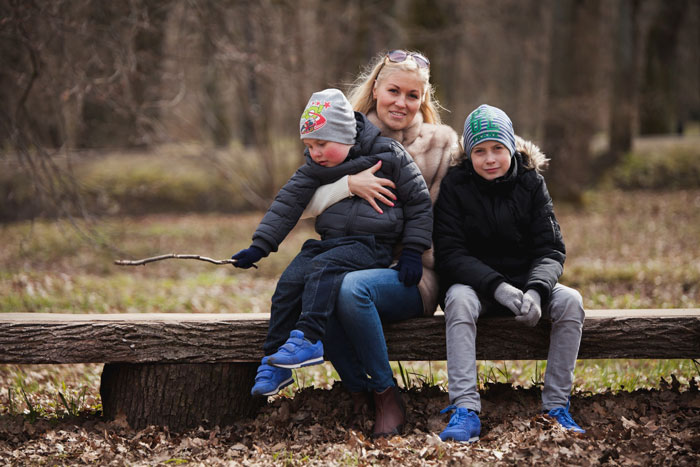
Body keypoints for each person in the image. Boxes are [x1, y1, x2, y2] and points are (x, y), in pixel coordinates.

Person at [231, 88, 433, 398]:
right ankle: (274, 363)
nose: (315, 153)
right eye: (309, 145)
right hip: (331, 244)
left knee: (323, 270)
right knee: (289, 283)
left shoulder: (389, 154)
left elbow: (420, 204)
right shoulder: (316, 168)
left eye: (322, 144)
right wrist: (260, 245)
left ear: (346, 135)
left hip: (371, 245)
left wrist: (413, 252)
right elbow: (287, 203)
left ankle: (308, 337)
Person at [300, 50, 461, 437]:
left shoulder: (441, 145)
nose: (401, 103)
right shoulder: (342, 134)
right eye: (393, 91)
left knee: (353, 289)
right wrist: (347, 185)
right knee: (320, 286)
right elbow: (296, 204)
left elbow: (449, 218)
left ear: (423, 99)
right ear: (376, 89)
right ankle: (358, 390)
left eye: (412, 95)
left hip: (413, 273)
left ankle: (386, 394)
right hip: (352, 258)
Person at [432, 104, 586, 443]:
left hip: (527, 285)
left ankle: (557, 407)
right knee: (457, 300)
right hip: (477, 287)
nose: (490, 158)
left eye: (498, 148)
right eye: (480, 151)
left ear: (511, 148)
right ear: (468, 154)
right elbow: (450, 253)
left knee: (571, 301)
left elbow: (551, 249)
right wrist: (497, 287)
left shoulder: (531, 183)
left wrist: (536, 290)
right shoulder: (455, 186)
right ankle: (465, 409)